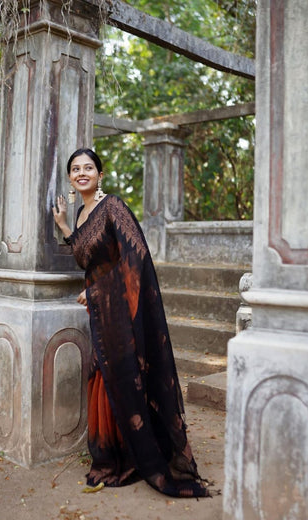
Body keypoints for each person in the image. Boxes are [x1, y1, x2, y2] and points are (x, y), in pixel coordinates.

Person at [53, 148, 211, 498]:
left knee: (126, 375)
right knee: (103, 378)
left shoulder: (113, 207)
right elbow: (84, 257)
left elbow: (136, 254)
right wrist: (65, 225)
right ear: (69, 178)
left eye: (88, 167)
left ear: (100, 173)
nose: (82, 173)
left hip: (120, 309)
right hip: (101, 312)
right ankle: (112, 454)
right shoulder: (81, 213)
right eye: (75, 169)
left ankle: (139, 457)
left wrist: (97, 290)